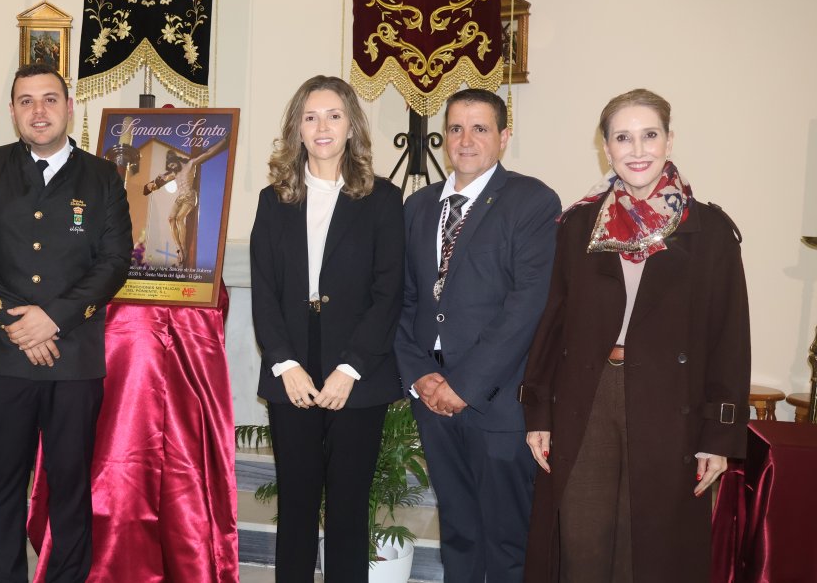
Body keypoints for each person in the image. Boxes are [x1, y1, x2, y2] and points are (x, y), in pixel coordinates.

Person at [519, 89, 751, 583]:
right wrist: (538, 411)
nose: (638, 149)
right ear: (606, 147)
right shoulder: (579, 225)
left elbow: (729, 340)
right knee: (579, 542)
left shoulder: (709, 231)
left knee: (646, 550)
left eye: (649, 135)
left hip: (671, 402)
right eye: (623, 138)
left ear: (669, 141)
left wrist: (718, 437)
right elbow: (553, 323)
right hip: (587, 396)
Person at [0, 64, 132, 583]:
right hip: (2, 357)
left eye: (50, 99)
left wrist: (52, 319)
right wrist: (17, 324)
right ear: (12, 111)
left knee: (70, 483)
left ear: (69, 107)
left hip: (73, 360)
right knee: (3, 483)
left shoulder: (102, 177)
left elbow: (114, 262)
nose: (38, 110)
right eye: (26, 101)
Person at [394, 88, 559, 583]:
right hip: (432, 398)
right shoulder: (418, 206)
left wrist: (464, 386)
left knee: (507, 541)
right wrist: (419, 375)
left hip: (498, 400)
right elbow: (403, 301)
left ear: (504, 137)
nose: (466, 140)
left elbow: (526, 307)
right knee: (459, 533)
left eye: (480, 128)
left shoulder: (531, 201)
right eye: (456, 128)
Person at [249, 76, 403, 582]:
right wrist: (284, 363)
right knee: (295, 503)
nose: (322, 127)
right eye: (310, 116)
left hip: (357, 368)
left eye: (334, 115)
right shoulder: (273, 200)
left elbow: (388, 293)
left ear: (351, 126)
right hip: (292, 363)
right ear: (297, 128)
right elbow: (264, 290)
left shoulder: (383, 198)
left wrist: (351, 368)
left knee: (348, 506)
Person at [141, 135, 230, 268]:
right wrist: (153, 184)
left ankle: (184, 248)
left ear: (176, 161)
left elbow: (208, 152)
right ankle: (179, 248)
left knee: (179, 218)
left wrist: (224, 140)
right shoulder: (173, 173)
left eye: (172, 164)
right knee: (171, 219)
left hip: (189, 196)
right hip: (180, 198)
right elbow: (158, 182)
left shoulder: (190, 164)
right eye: (169, 166)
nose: (172, 167)